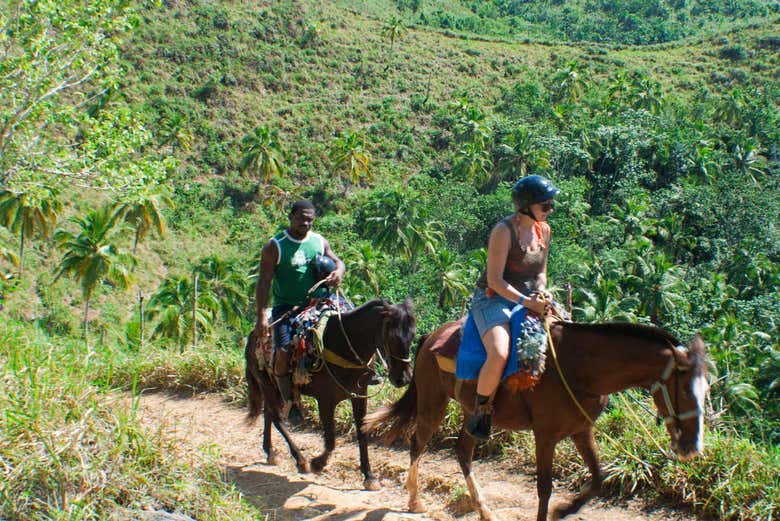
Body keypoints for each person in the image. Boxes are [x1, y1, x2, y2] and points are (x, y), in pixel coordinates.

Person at [466, 175, 560, 440]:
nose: (550, 209)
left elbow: (541, 271)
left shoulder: (544, 230)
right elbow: (495, 281)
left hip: (530, 295)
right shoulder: (503, 231)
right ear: (526, 206)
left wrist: (542, 291)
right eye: (546, 205)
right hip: (492, 298)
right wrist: (527, 302)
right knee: (499, 352)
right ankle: (481, 411)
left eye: (551, 204)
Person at [255, 200, 345, 424]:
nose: (306, 223)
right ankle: (289, 400)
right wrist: (260, 317)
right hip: (288, 308)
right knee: (284, 350)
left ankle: (363, 373)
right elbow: (264, 282)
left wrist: (339, 272)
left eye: (310, 219)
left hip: (321, 302)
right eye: (302, 218)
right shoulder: (275, 246)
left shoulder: (318, 241)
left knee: (355, 325)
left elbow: (337, 261)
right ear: (291, 216)